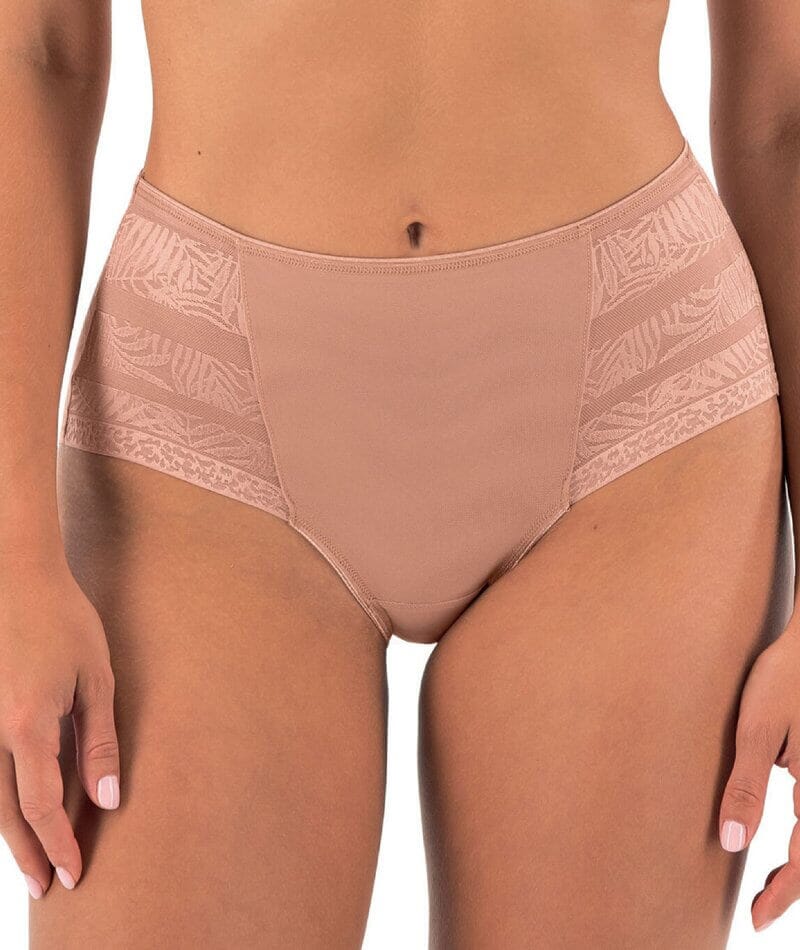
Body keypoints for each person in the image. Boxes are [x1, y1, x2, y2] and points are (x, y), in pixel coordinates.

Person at [1, 0, 798, 945]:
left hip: (639, 408)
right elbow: (35, 52)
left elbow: (785, 115)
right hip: (202, 427)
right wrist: (13, 560)